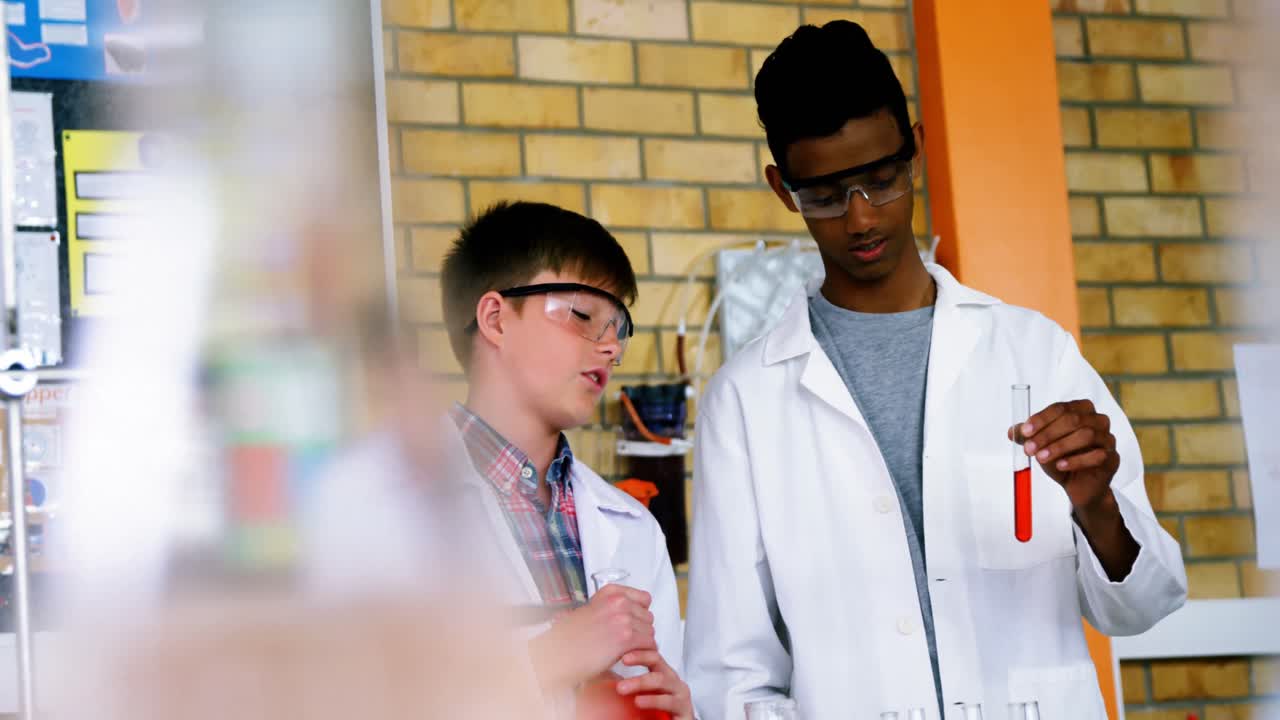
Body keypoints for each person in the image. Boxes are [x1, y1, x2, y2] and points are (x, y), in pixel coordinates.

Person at [683, 21, 1187, 720]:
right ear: (782, 188)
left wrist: (1097, 504)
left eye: (880, 180)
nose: (861, 218)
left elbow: (1146, 604)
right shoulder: (746, 401)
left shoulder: (1032, 352)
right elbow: (732, 675)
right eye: (825, 195)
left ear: (916, 150)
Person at [436, 200, 692, 717]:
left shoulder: (633, 528)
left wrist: (685, 711)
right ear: (495, 318)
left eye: (618, 326)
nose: (612, 349)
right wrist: (549, 659)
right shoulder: (385, 505)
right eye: (583, 315)